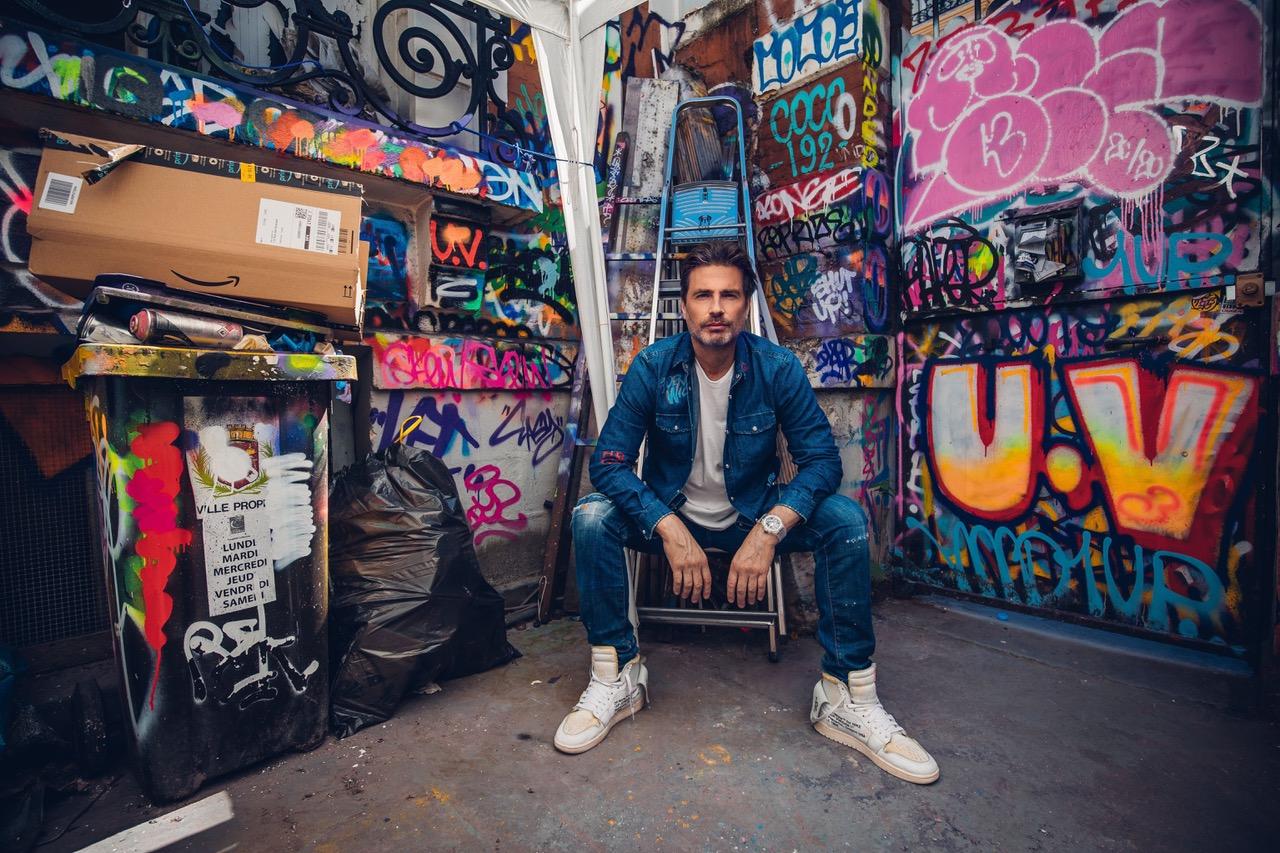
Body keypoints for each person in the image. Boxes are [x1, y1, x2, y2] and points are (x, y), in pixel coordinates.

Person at [552, 241, 938, 784]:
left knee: (845, 523)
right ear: (685, 305)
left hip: (751, 519)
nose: (716, 308)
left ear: (746, 304)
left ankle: (847, 693)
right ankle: (616, 674)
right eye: (703, 295)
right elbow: (610, 463)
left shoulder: (777, 368)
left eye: (729, 295)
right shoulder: (654, 366)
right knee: (592, 516)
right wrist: (667, 526)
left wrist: (770, 529)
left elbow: (822, 462)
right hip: (671, 519)